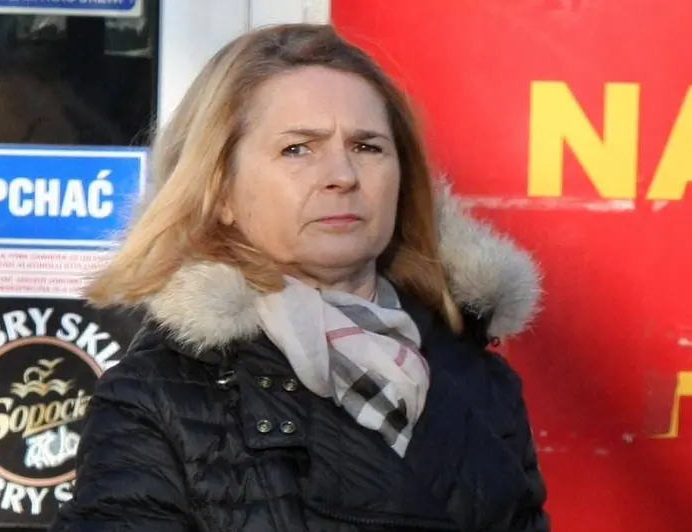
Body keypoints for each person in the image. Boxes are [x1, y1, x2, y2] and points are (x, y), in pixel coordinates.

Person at [49, 23, 548, 532]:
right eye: (298, 149)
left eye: (367, 147)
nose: (343, 175)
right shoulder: (156, 397)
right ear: (220, 191)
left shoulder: (479, 378)